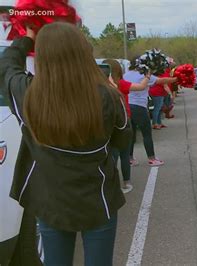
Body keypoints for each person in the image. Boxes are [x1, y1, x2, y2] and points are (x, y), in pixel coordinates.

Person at [0, 23, 130, 266]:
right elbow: (122, 140)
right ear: (84, 52)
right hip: (99, 200)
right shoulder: (109, 96)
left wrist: (27, 38)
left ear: (43, 58)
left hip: (52, 203)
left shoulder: (28, 94)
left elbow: (6, 66)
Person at [104, 59, 150, 193]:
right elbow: (141, 87)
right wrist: (147, 77)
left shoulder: (100, 85)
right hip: (124, 120)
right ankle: (126, 182)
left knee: (112, 154)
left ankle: (111, 183)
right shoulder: (121, 84)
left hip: (108, 122)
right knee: (124, 152)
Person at [124, 61, 176, 167]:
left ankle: (130, 158)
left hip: (128, 106)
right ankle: (151, 158)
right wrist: (175, 79)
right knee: (146, 133)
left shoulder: (126, 74)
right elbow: (161, 80)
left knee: (132, 134)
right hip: (139, 107)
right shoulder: (144, 75)